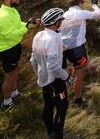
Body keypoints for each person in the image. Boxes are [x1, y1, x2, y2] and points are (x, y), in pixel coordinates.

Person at [0, 0, 35, 109]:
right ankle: (6, 101)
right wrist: (26, 28)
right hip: (6, 49)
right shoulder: (3, 16)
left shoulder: (11, 10)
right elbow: (9, 35)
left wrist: (27, 25)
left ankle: (14, 92)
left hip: (13, 46)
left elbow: (18, 24)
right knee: (10, 74)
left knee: (14, 71)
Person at [31, 8, 72, 139]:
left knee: (48, 105)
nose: (62, 22)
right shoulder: (54, 39)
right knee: (62, 107)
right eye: (61, 20)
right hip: (55, 80)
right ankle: (58, 135)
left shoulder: (39, 35)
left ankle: (51, 132)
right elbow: (54, 65)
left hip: (43, 78)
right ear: (55, 23)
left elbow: (33, 59)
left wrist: (39, 73)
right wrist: (67, 77)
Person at [61, 0, 100, 106]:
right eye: (82, 3)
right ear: (80, 3)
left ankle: (74, 87)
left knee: (75, 67)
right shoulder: (80, 12)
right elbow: (98, 15)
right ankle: (78, 100)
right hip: (77, 48)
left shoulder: (64, 14)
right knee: (80, 74)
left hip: (65, 48)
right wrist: (94, 5)